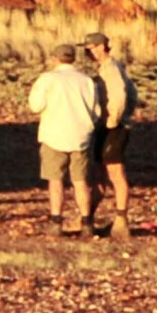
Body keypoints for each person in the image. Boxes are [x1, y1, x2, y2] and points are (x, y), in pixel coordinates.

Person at [27, 43, 104, 233]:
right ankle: (87, 222)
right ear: (74, 59)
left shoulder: (47, 79)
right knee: (81, 181)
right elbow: (96, 111)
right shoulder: (86, 80)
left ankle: (56, 221)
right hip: (80, 136)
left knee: (55, 180)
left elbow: (35, 106)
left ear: (54, 58)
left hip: (54, 135)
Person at [86, 34, 140, 236]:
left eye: (91, 48)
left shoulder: (111, 69)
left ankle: (121, 220)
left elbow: (121, 96)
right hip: (108, 125)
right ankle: (88, 219)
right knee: (100, 173)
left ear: (101, 47)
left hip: (113, 127)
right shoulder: (108, 68)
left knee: (115, 173)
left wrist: (114, 120)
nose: (89, 53)